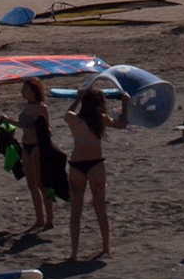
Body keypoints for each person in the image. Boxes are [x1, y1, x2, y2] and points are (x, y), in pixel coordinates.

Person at [64, 81, 127, 260]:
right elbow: (122, 124)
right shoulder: (101, 119)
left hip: (77, 164)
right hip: (96, 164)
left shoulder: (75, 120)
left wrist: (77, 99)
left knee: (75, 212)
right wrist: (126, 103)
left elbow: (66, 114)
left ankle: (74, 252)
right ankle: (106, 247)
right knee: (100, 208)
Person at [17, 78, 58, 233]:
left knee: (42, 183)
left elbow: (47, 129)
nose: (23, 92)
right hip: (25, 144)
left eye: (25, 89)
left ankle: (50, 219)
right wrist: (8, 121)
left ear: (33, 91)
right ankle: (39, 218)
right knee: (31, 184)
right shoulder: (25, 106)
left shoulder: (42, 108)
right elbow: (22, 125)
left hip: (37, 146)